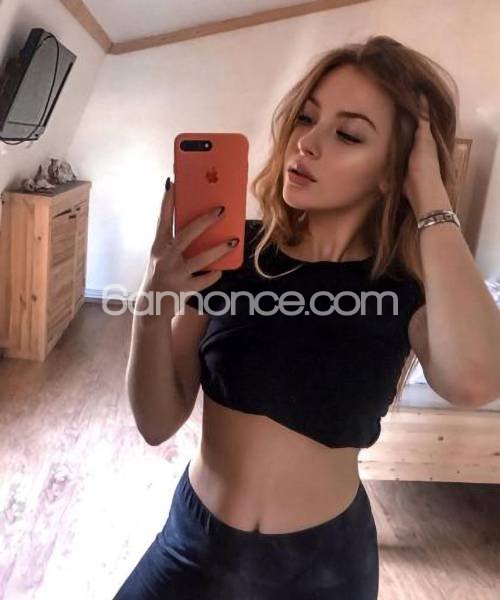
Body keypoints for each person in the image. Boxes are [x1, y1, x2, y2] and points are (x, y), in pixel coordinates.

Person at [113, 35, 498, 599]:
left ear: (393, 172)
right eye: (306, 118)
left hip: (323, 571)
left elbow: (476, 380)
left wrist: (430, 196)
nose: (306, 144)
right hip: (194, 546)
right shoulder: (235, 253)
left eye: (348, 134)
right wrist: (151, 305)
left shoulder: (406, 288)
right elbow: (156, 423)